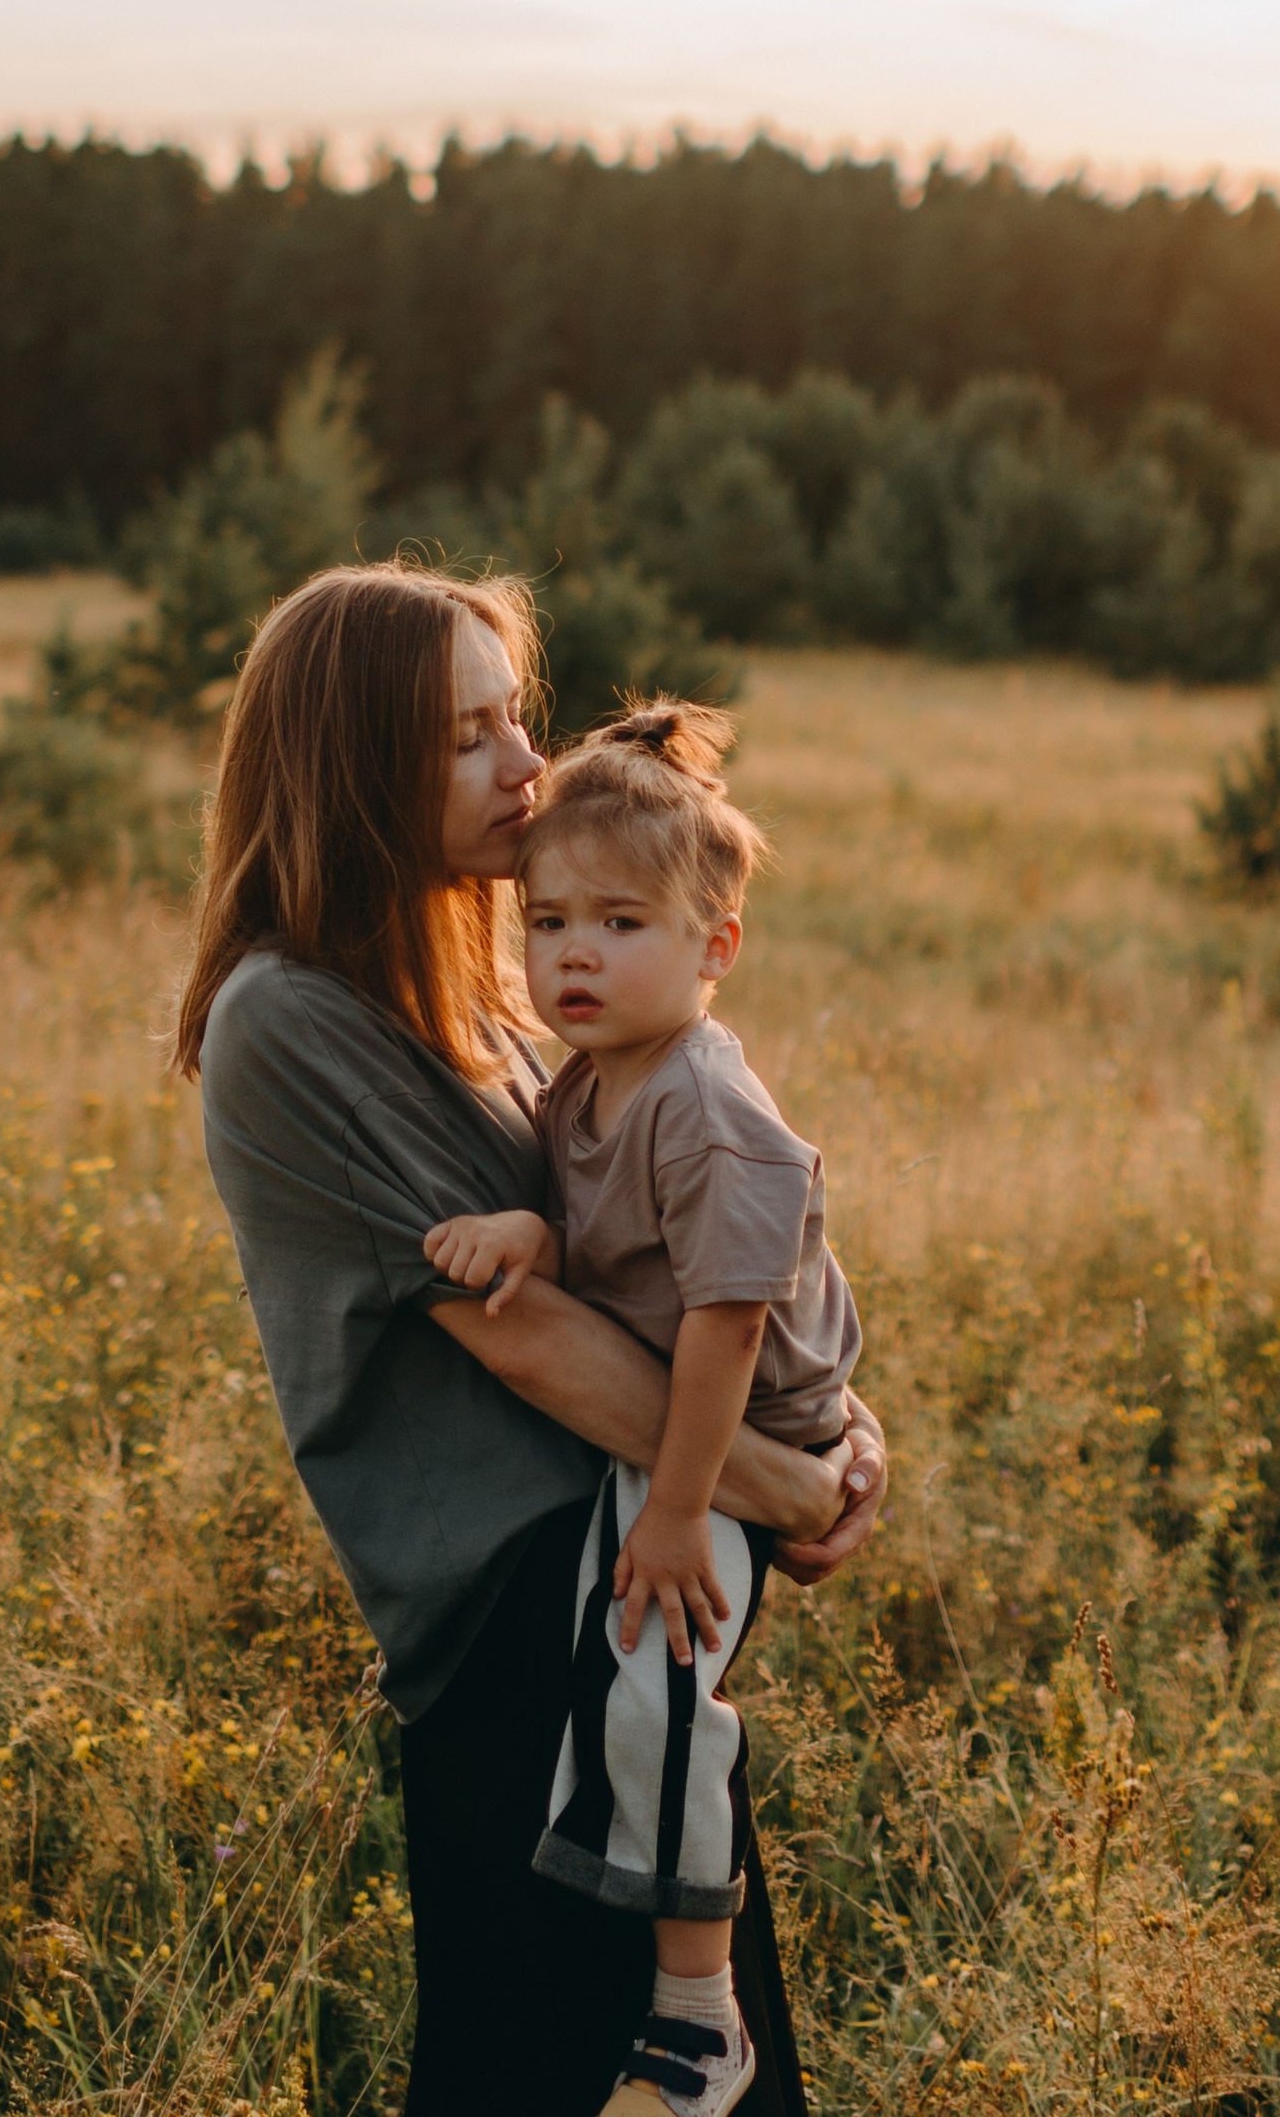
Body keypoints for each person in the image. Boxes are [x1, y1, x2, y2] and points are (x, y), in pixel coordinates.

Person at [174, 564, 887, 2117]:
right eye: (467, 738)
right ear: (353, 764)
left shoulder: (496, 986)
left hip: (620, 1593)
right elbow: (533, 1341)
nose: (527, 770)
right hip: (524, 1627)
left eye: (518, 721)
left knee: (681, 2067)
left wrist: (833, 1424)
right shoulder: (289, 1019)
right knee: (548, 2068)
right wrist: (781, 1485)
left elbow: (679, 1246)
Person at [425, 703, 858, 2117]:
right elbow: (593, 1232)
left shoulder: (705, 1102)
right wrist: (525, 1235)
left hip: (742, 1437)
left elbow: (729, 1325)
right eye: (548, 923)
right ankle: (636, 1974)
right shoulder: (587, 1084)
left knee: (663, 1679)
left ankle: (698, 2019)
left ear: (713, 947)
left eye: (620, 923)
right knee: (613, 1670)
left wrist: (681, 1513)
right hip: (668, 1417)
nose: (574, 956)